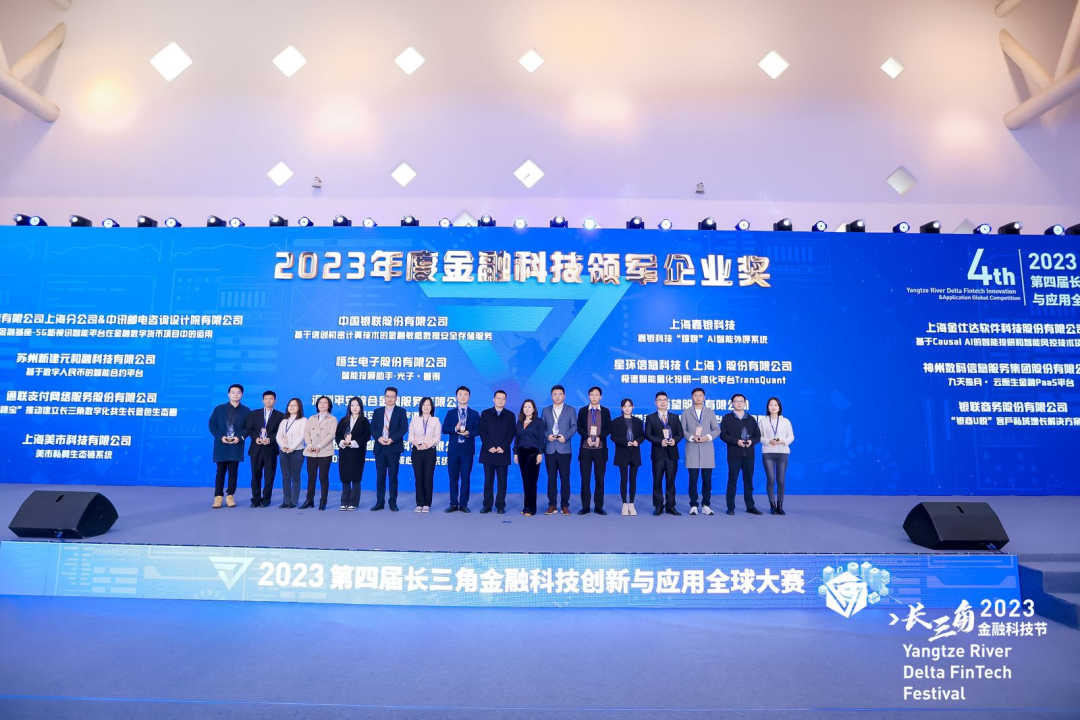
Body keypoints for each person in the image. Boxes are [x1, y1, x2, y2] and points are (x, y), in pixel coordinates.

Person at [207, 383, 250, 508]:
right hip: (221, 445)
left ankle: (230, 495)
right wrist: (220, 437)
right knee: (220, 471)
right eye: (233, 392)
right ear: (228, 394)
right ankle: (218, 497)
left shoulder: (246, 410)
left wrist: (240, 437)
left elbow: (248, 428)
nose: (236, 394)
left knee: (233, 471)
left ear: (242, 395)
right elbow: (212, 425)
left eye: (238, 392)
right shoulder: (219, 409)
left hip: (236, 445)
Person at [719, 393, 763, 516]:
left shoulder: (751, 419)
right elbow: (723, 435)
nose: (739, 403)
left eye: (741, 401)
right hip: (734, 455)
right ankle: (730, 507)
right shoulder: (727, 418)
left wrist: (751, 442)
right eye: (736, 401)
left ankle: (750, 506)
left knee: (748, 481)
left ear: (745, 403)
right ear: (732, 403)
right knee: (732, 481)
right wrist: (736, 441)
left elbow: (758, 436)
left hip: (749, 455)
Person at [681, 387, 721, 516]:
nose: (698, 397)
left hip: (706, 449)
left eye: (700, 395)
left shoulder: (710, 412)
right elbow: (682, 430)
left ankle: (706, 505)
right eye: (695, 395)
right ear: (692, 397)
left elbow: (716, 429)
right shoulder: (686, 412)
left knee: (707, 480)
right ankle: (693, 505)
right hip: (692, 448)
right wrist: (692, 437)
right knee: (693, 479)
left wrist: (707, 437)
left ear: (704, 397)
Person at [645, 391, 684, 516]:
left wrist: (675, 440)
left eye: (664, 400)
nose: (662, 402)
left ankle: (670, 506)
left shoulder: (674, 417)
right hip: (658, 454)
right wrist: (659, 441)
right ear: (655, 402)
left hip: (672, 454)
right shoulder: (650, 417)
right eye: (659, 400)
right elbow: (648, 434)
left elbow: (680, 433)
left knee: (671, 480)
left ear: (668, 402)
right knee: (657, 480)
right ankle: (658, 506)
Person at [244, 390, 285, 508]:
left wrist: (270, 439)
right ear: (263, 400)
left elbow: (280, 431)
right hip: (256, 448)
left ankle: (266, 499)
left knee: (269, 476)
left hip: (270, 449)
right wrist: (255, 438)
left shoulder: (280, 415)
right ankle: (255, 499)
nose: (268, 401)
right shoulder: (254, 413)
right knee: (255, 475)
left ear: (275, 400)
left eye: (271, 399)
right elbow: (249, 429)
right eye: (266, 399)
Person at [370, 386, 408, 511]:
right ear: (384, 397)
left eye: (392, 397)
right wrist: (379, 438)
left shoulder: (401, 411)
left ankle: (393, 502)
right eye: (388, 396)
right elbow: (372, 428)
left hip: (393, 447)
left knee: (393, 477)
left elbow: (404, 428)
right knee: (380, 477)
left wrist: (392, 439)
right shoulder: (378, 411)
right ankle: (379, 502)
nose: (390, 399)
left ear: (396, 398)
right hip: (380, 447)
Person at [442, 386, 480, 513]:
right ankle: (453, 503)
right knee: (453, 478)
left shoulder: (474, 414)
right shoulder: (451, 413)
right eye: (460, 394)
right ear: (456, 396)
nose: (463, 397)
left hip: (467, 450)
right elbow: (444, 429)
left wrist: (469, 433)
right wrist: (455, 428)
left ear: (469, 396)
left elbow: (479, 430)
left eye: (465, 394)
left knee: (465, 478)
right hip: (453, 450)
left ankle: (463, 504)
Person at [479, 390, 517, 514]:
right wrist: (488, 446)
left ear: (506, 400)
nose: (500, 400)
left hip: (503, 453)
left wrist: (504, 446)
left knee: (502, 481)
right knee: (488, 481)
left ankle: (500, 505)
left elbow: (512, 433)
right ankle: (487, 505)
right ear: (493, 399)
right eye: (498, 398)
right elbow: (482, 431)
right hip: (488, 452)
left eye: (503, 398)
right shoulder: (485, 413)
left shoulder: (510, 415)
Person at [541, 385, 577, 515]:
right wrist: (547, 436)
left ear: (564, 396)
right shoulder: (545, 410)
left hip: (564, 448)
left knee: (565, 478)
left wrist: (565, 437)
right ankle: (552, 505)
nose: (557, 396)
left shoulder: (571, 410)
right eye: (555, 394)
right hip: (550, 449)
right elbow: (541, 427)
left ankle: (565, 505)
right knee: (551, 478)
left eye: (560, 394)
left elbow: (574, 426)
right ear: (551, 396)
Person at [576, 386, 611, 515]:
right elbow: (579, 427)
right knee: (585, 479)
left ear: (600, 397)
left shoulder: (606, 411)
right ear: (588, 396)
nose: (594, 397)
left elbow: (609, 428)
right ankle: (585, 506)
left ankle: (598, 507)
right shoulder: (583, 411)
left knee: (599, 479)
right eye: (592, 395)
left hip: (600, 449)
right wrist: (587, 438)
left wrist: (600, 437)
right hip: (586, 449)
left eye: (596, 395)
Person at [759, 396, 794, 515]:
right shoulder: (763, 421)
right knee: (771, 479)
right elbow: (759, 437)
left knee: (781, 480)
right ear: (767, 407)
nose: (773, 407)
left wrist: (781, 441)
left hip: (782, 452)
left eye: (775, 405)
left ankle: (780, 505)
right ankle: (772, 505)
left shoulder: (786, 421)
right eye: (771, 405)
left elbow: (791, 436)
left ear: (779, 407)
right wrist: (768, 441)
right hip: (768, 452)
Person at [335, 396, 371, 511]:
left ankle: (353, 502)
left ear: (361, 407)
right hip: (344, 452)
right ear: (349, 407)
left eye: (357, 405)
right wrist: (342, 442)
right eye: (352, 405)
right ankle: (344, 501)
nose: (354, 407)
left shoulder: (364, 421)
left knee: (356, 477)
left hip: (357, 452)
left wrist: (353, 442)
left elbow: (366, 436)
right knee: (345, 477)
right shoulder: (343, 420)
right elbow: (337, 435)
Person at [302, 395, 337, 511]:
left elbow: (331, 435)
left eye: (325, 403)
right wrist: (308, 444)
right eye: (320, 402)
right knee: (311, 477)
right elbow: (306, 432)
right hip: (311, 451)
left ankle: (323, 501)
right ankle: (309, 500)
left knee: (323, 477)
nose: (322, 404)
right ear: (317, 405)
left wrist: (319, 446)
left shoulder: (332, 419)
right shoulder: (311, 418)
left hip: (325, 452)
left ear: (329, 405)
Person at [611, 398, 644, 516]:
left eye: (629, 406)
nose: (627, 408)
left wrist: (637, 442)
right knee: (624, 479)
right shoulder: (616, 422)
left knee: (633, 479)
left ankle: (632, 504)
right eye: (625, 406)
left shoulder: (638, 421)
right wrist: (625, 442)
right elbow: (613, 437)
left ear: (633, 407)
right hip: (622, 453)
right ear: (621, 408)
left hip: (635, 453)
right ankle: (624, 504)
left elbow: (642, 436)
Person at [513, 399, 545, 516]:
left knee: (531, 481)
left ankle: (531, 508)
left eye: (529, 407)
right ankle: (526, 506)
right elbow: (517, 438)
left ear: (534, 409)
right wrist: (515, 453)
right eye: (525, 407)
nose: (527, 409)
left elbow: (541, 439)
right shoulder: (519, 422)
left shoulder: (538, 422)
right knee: (525, 481)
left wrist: (540, 453)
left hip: (533, 453)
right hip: (522, 453)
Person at [409, 397, 440, 512]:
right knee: (418, 477)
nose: (426, 407)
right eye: (424, 405)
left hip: (429, 451)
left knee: (428, 477)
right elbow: (410, 436)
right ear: (420, 407)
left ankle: (427, 503)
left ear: (432, 407)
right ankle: (419, 503)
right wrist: (417, 445)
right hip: (417, 450)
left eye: (428, 405)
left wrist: (427, 445)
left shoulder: (435, 420)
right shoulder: (414, 420)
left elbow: (437, 437)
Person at [275, 398, 306, 508]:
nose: (292, 407)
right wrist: (282, 446)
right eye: (290, 405)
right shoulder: (284, 421)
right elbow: (278, 436)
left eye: (295, 405)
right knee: (285, 477)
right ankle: (286, 500)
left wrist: (292, 447)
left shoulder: (303, 420)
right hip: (284, 451)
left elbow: (302, 436)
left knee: (295, 476)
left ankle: (294, 501)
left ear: (299, 407)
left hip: (297, 451)